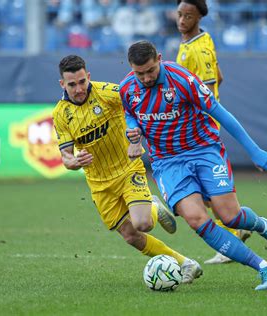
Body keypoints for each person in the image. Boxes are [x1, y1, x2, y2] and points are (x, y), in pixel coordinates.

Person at [120, 41, 267, 290]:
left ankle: (264, 226)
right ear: (131, 68)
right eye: (140, 73)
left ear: (159, 58)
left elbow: (220, 112)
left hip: (204, 150)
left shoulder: (182, 79)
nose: (146, 78)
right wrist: (132, 129)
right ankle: (265, 268)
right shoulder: (126, 88)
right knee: (196, 219)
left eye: (150, 70)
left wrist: (253, 149)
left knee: (230, 216)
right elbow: (128, 113)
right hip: (168, 162)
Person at [52, 55, 202, 284]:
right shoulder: (61, 114)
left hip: (127, 168)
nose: (79, 88)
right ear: (62, 84)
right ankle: (186, 263)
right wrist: (74, 162)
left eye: (82, 81)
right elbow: (66, 157)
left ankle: (151, 205)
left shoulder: (109, 92)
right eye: (72, 84)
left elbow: (139, 108)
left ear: (88, 76)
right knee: (131, 236)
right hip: (100, 183)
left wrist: (136, 138)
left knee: (143, 224)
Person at [175, 0, 251, 265]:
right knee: (206, 190)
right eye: (180, 14)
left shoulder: (198, 48)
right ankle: (236, 228)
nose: (182, 20)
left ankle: (233, 233)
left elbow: (208, 86)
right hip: (194, 126)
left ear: (199, 18)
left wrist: (197, 116)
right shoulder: (195, 42)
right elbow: (220, 76)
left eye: (188, 16)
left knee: (207, 187)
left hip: (200, 128)